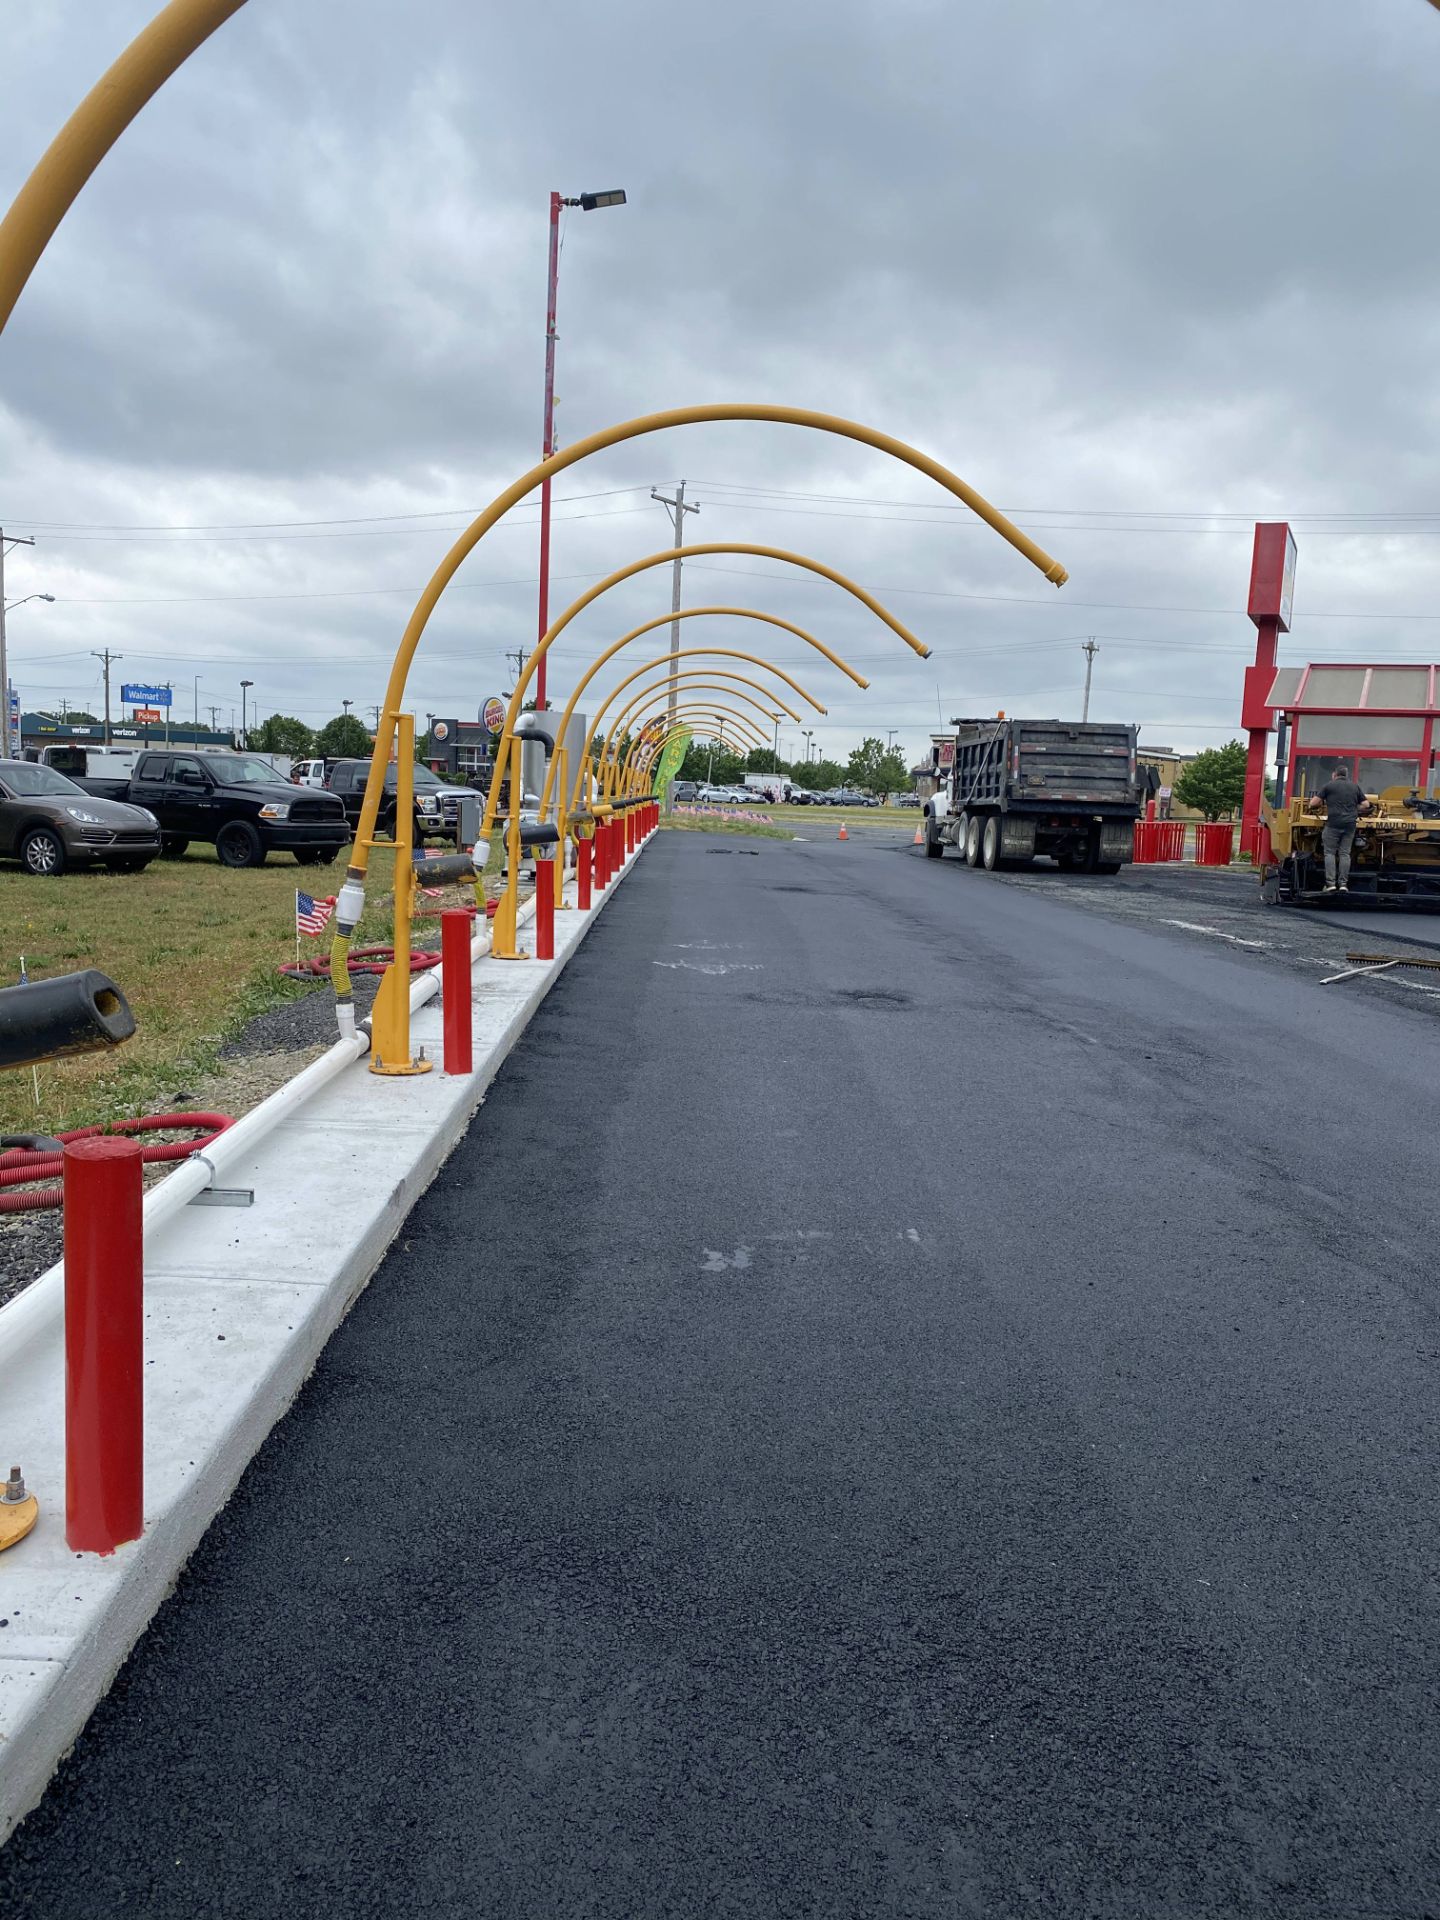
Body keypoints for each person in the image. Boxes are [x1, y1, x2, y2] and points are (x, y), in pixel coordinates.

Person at [1309, 763, 1373, 893]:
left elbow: (1312, 803)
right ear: (1346, 775)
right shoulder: (1354, 786)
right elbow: (1366, 805)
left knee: (1330, 853)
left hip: (1333, 824)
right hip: (1350, 825)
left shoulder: (1329, 786)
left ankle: (1331, 884)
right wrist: (1354, 808)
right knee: (1345, 853)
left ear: (1334, 775)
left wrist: (1322, 802)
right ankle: (1343, 884)